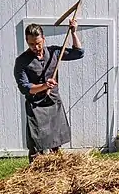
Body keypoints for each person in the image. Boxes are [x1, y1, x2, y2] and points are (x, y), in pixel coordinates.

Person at [14, 19, 84, 163]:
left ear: (43, 39)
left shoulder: (54, 52)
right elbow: (25, 87)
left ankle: (57, 172)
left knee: (55, 142)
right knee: (36, 145)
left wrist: (73, 32)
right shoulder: (21, 61)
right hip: (36, 107)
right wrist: (44, 86)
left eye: (38, 43)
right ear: (27, 42)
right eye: (31, 44)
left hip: (53, 103)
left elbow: (78, 53)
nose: (35, 46)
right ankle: (34, 175)